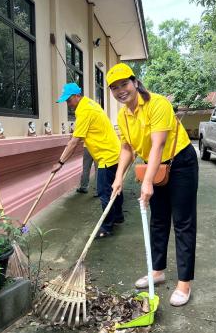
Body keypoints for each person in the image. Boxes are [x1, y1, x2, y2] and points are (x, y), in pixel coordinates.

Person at [108, 63, 198, 306]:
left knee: (183, 222)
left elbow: (158, 144)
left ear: (135, 82)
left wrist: (146, 183)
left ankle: (184, 283)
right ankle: (157, 272)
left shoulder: (158, 104)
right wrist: (118, 179)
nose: (120, 91)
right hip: (154, 165)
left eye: (124, 84)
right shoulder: (123, 116)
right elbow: (127, 147)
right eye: (114, 88)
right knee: (158, 219)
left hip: (180, 163)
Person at [51, 83, 124, 238]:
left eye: (69, 100)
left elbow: (74, 141)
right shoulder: (89, 103)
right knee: (115, 187)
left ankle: (107, 227)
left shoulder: (84, 110)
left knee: (105, 192)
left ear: (77, 96)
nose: (68, 104)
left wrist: (60, 162)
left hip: (107, 155)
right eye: (66, 101)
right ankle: (118, 217)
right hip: (114, 152)